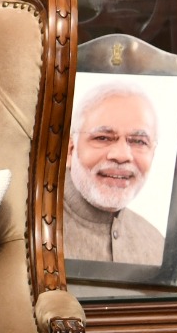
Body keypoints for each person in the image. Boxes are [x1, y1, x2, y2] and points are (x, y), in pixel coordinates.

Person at [63, 82, 167, 264]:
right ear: (70, 150)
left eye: (139, 141)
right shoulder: (26, 230)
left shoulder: (156, 246)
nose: (121, 155)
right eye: (103, 138)